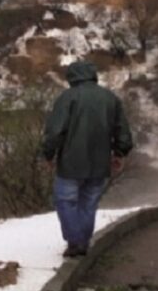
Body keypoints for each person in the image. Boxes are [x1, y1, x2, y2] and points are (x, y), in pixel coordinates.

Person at [41, 61, 133, 257]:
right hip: (100, 164)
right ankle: (82, 242)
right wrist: (119, 153)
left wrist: (48, 154)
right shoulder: (110, 98)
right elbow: (123, 132)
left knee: (65, 201)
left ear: (71, 77)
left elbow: (55, 132)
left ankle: (75, 242)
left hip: (71, 163)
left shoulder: (68, 97)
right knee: (88, 203)